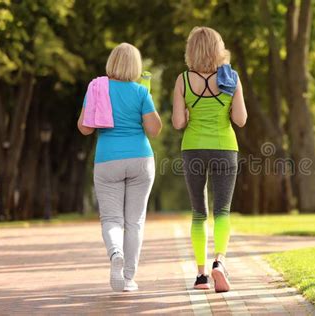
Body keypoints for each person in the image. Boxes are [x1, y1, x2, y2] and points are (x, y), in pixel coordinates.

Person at [77, 42, 162, 292]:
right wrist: (147, 99)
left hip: (107, 159)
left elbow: (84, 128)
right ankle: (128, 278)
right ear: (135, 66)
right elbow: (155, 130)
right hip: (140, 159)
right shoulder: (140, 92)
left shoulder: (96, 88)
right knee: (134, 222)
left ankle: (115, 253)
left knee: (112, 219)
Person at [172, 27, 247, 293]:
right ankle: (220, 262)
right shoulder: (231, 78)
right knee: (222, 210)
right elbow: (240, 119)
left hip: (193, 148)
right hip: (225, 148)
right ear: (219, 49)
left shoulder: (183, 79)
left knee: (198, 212)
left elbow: (179, 122)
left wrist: (193, 113)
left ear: (191, 50)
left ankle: (202, 276)